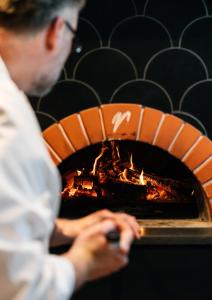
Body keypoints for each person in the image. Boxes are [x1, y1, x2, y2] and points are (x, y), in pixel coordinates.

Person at [0, 1, 141, 299]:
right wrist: (84, 261)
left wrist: (65, 229)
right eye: (73, 39)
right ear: (56, 30)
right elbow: (20, 289)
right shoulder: (6, 122)